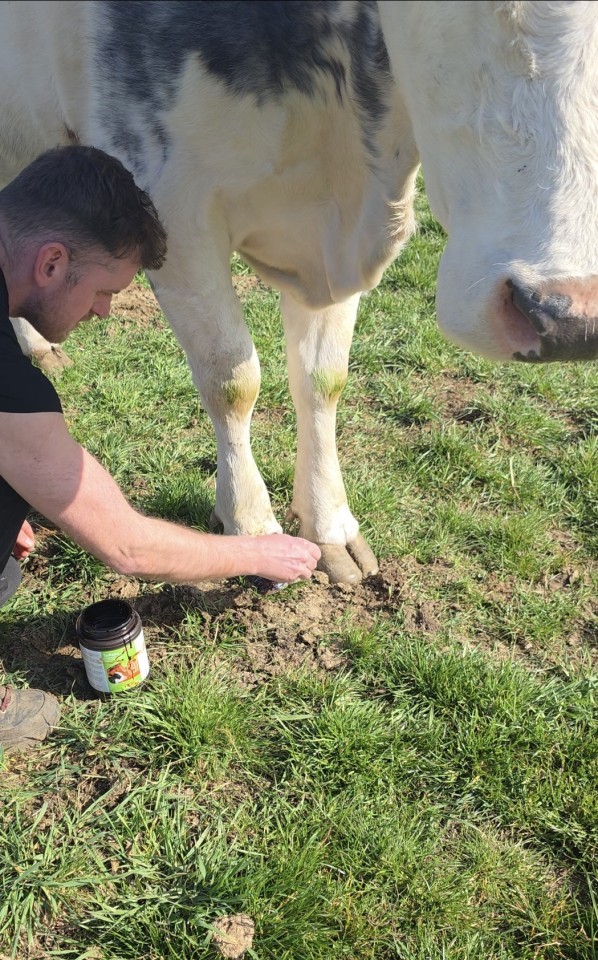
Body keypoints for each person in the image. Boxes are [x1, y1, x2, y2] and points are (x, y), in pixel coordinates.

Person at [0, 146, 320, 753]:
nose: (104, 311)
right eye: (104, 290)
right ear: (51, 262)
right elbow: (126, 545)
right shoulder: (8, 384)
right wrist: (256, 551)